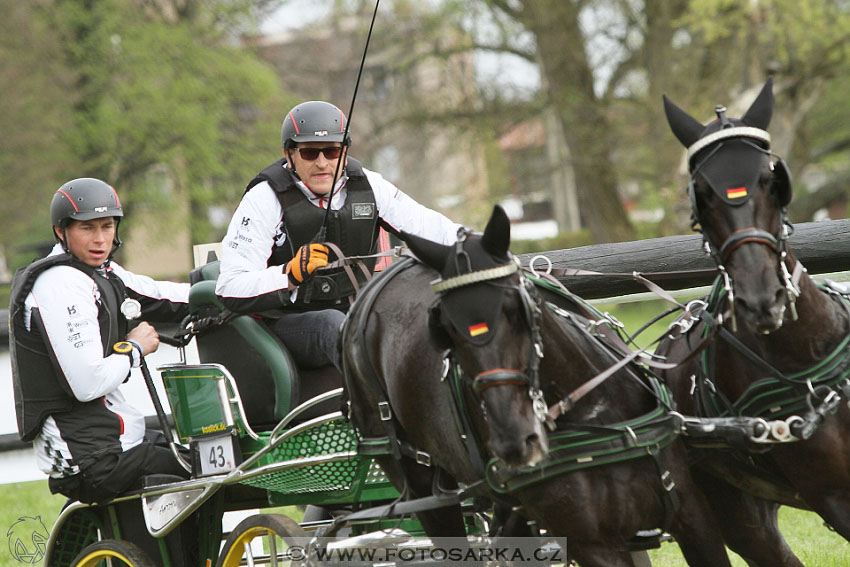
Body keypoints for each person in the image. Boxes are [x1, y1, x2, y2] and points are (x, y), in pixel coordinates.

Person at [215, 100, 462, 371]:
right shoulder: (263, 199)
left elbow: (431, 228)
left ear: (344, 152)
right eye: (309, 153)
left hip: (356, 312)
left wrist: (480, 245)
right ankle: (375, 408)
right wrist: (289, 274)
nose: (322, 163)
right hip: (286, 325)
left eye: (331, 151)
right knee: (331, 325)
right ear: (289, 154)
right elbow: (229, 288)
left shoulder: (369, 185)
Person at [9, 178, 192, 504]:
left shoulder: (100, 271)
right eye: (87, 228)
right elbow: (87, 383)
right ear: (61, 231)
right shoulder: (60, 283)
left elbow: (163, 295)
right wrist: (134, 349)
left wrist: (230, 290)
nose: (100, 239)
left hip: (111, 443)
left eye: (107, 227)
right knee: (198, 471)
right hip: (91, 458)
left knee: (194, 456)